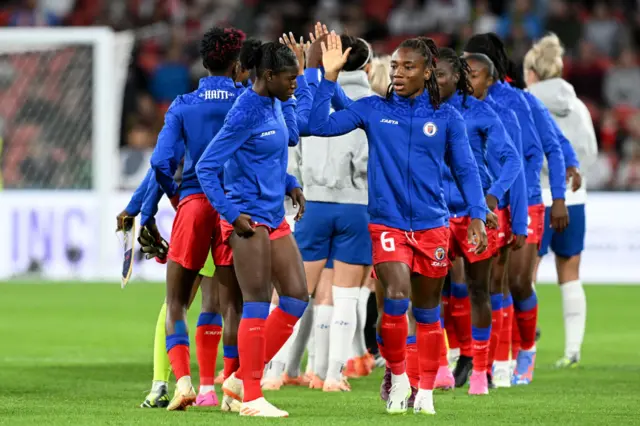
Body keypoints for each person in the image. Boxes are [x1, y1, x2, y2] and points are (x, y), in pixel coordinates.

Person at [309, 32, 488, 415]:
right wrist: (327, 78)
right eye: (395, 67)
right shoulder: (373, 109)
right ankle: (400, 377)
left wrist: (475, 213)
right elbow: (316, 125)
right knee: (395, 298)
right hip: (387, 225)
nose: (400, 73)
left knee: (426, 314)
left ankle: (424, 391)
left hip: (432, 226)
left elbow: (466, 169)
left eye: (409, 67)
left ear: (427, 73)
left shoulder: (446, 117)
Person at [196, 38, 311, 418]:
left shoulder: (276, 101)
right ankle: (252, 396)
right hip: (248, 218)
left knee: (296, 298)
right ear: (268, 76)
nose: (295, 83)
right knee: (257, 303)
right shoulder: (244, 111)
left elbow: (290, 138)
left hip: (273, 215)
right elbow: (207, 167)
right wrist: (230, 212)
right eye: (290, 78)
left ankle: (241, 377)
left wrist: (289, 180)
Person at [463, 33, 570, 386]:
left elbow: (551, 145)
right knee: (490, 284)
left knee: (517, 282)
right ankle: (491, 360)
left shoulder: (518, 102)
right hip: (486, 206)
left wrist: (558, 195)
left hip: (524, 202)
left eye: (471, 64)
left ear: (488, 68)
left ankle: (523, 352)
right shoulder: (461, 105)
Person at [276, 34, 373, 393]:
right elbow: (369, 161)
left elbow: (294, 149)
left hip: (312, 205)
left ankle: (274, 371)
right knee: (345, 296)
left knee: (295, 293)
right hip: (355, 206)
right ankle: (332, 375)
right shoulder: (372, 103)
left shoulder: (309, 93)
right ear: (366, 66)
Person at [435, 47, 521, 394]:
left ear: (457, 79)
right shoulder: (422, 110)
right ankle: (442, 364)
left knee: (478, 290)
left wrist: (492, 196)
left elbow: (511, 159)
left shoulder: (482, 113)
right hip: (435, 215)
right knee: (432, 293)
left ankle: (481, 371)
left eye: (440, 73)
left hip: (472, 216)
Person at [524, 33, 597, 368]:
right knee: (570, 271)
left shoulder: (524, 101)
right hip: (574, 197)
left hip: (536, 198)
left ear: (532, 73)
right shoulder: (578, 105)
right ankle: (572, 350)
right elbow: (590, 153)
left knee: (526, 274)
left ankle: (526, 347)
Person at [462, 51, 529, 388]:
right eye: (464, 72)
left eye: (474, 74)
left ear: (490, 80)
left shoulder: (503, 115)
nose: (467, 79)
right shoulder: (449, 111)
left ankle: (499, 362)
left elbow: (515, 170)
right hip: (453, 212)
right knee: (456, 288)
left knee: (494, 286)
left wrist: (519, 220)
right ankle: (464, 359)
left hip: (493, 210)